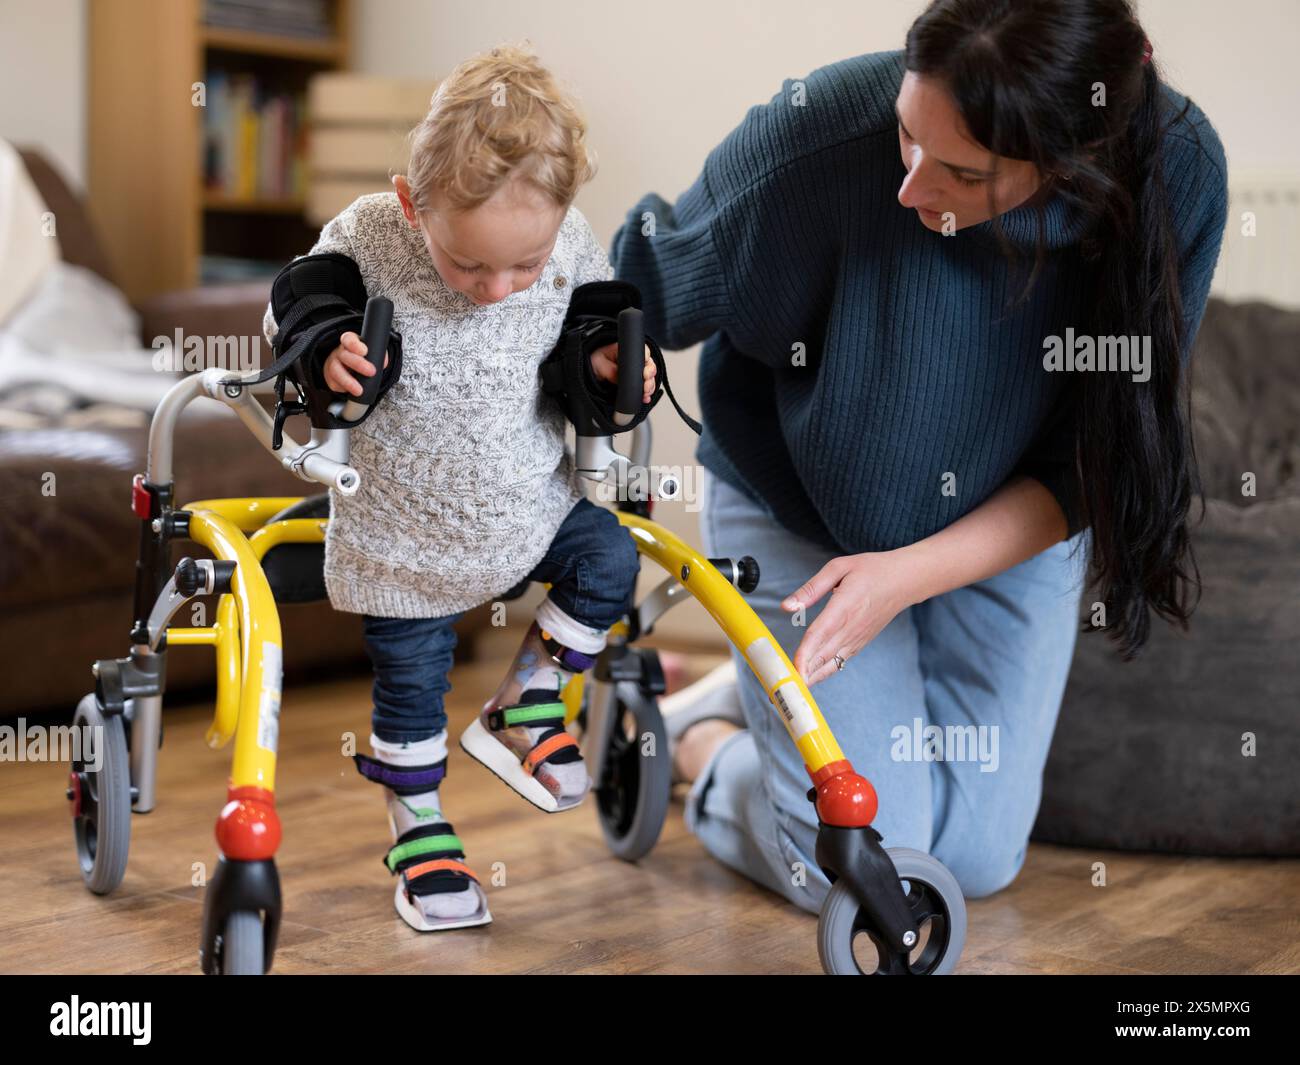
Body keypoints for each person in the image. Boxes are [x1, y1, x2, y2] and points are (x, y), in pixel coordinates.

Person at [612, 0, 1228, 913]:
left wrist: (906, 576)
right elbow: (642, 286)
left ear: (1068, 167)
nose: (909, 186)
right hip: (800, 507)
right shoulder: (819, 131)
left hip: (1004, 521)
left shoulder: (1177, 173)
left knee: (975, 861)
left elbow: (1086, 465)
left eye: (961, 172)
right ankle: (704, 751)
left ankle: (718, 715)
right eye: (906, 134)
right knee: (876, 874)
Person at [262, 44, 654, 932]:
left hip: (528, 508)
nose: (497, 290)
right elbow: (299, 297)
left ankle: (529, 694)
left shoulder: (565, 247)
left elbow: (585, 337)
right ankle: (420, 827)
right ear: (413, 203)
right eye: (471, 266)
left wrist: (606, 365)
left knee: (612, 553)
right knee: (410, 685)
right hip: (404, 534)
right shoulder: (370, 233)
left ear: (559, 219)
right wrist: (329, 345)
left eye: (523, 265)